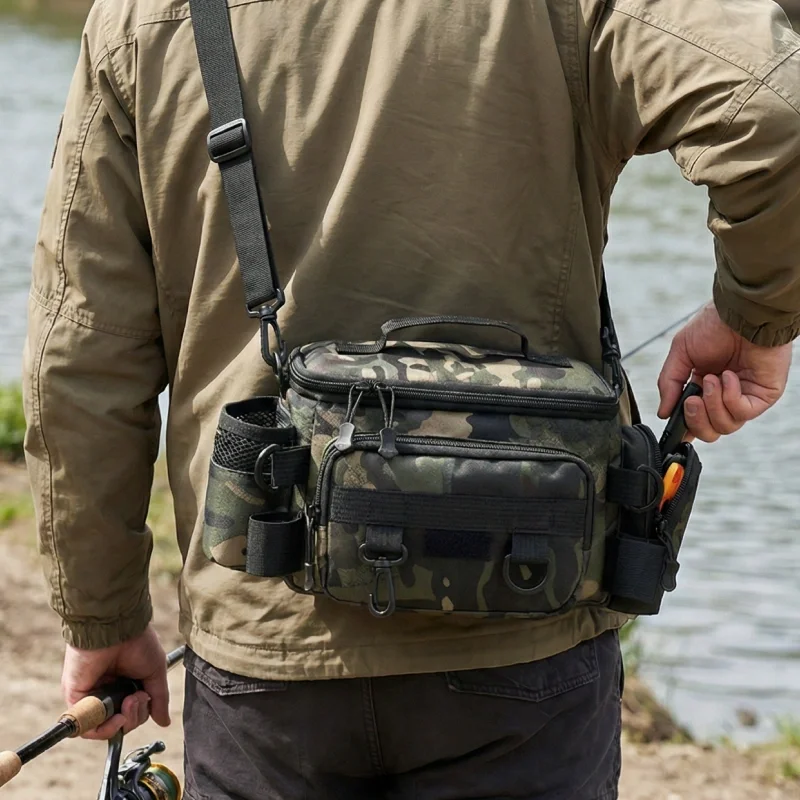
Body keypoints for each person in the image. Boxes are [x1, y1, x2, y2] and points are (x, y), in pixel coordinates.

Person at [23, 0, 799, 797]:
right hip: (526, 628)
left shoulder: (141, 17)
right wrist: (755, 320)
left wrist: (103, 615)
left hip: (266, 638)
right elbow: (775, 109)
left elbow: (82, 357)